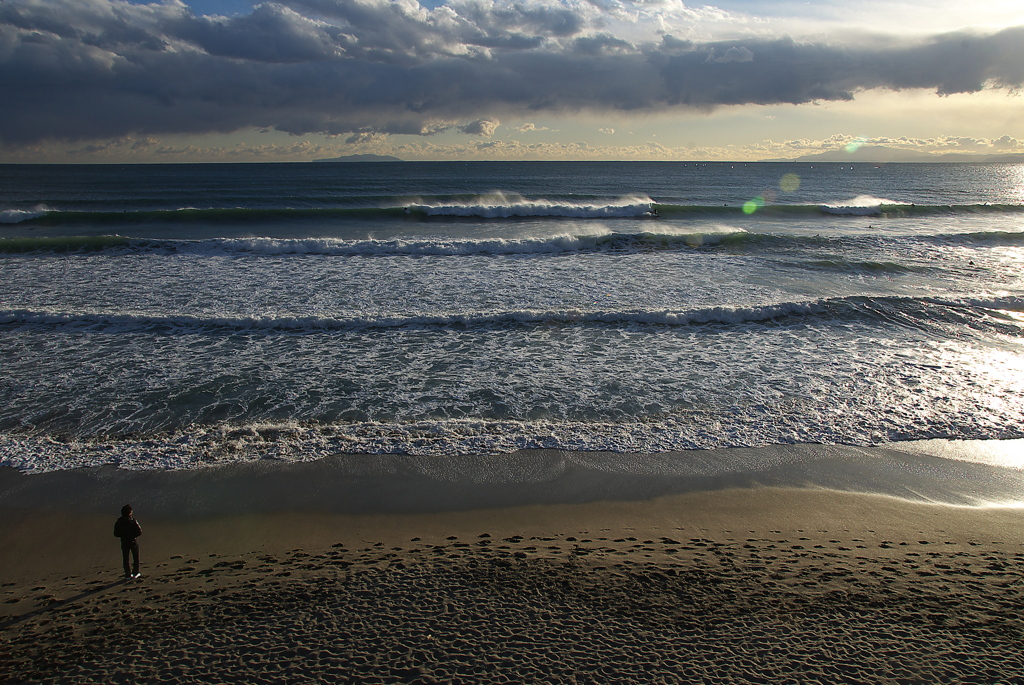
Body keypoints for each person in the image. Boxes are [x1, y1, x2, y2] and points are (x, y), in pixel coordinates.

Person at [113, 504, 142, 579]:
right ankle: (136, 572)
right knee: (135, 557)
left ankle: (128, 574)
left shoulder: (119, 521)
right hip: (133, 541)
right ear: (129, 512)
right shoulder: (133, 520)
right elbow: (139, 532)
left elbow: (116, 533)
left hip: (124, 541)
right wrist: (133, 535)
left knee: (126, 558)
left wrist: (123, 535)